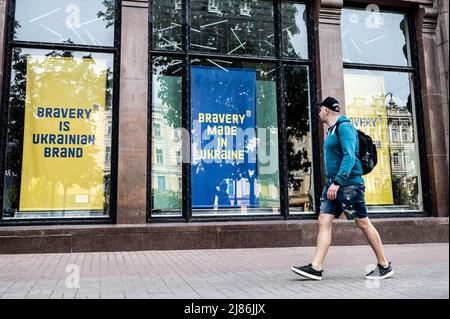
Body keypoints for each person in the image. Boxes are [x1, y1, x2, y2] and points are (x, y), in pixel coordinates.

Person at [291, 97, 394, 281]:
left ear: (327, 111)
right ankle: (316, 267)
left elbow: (350, 157)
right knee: (324, 220)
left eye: (320, 109)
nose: (319, 112)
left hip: (348, 185)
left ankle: (384, 265)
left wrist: (338, 182)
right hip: (333, 184)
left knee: (363, 223)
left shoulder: (344, 127)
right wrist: (333, 183)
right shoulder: (331, 131)